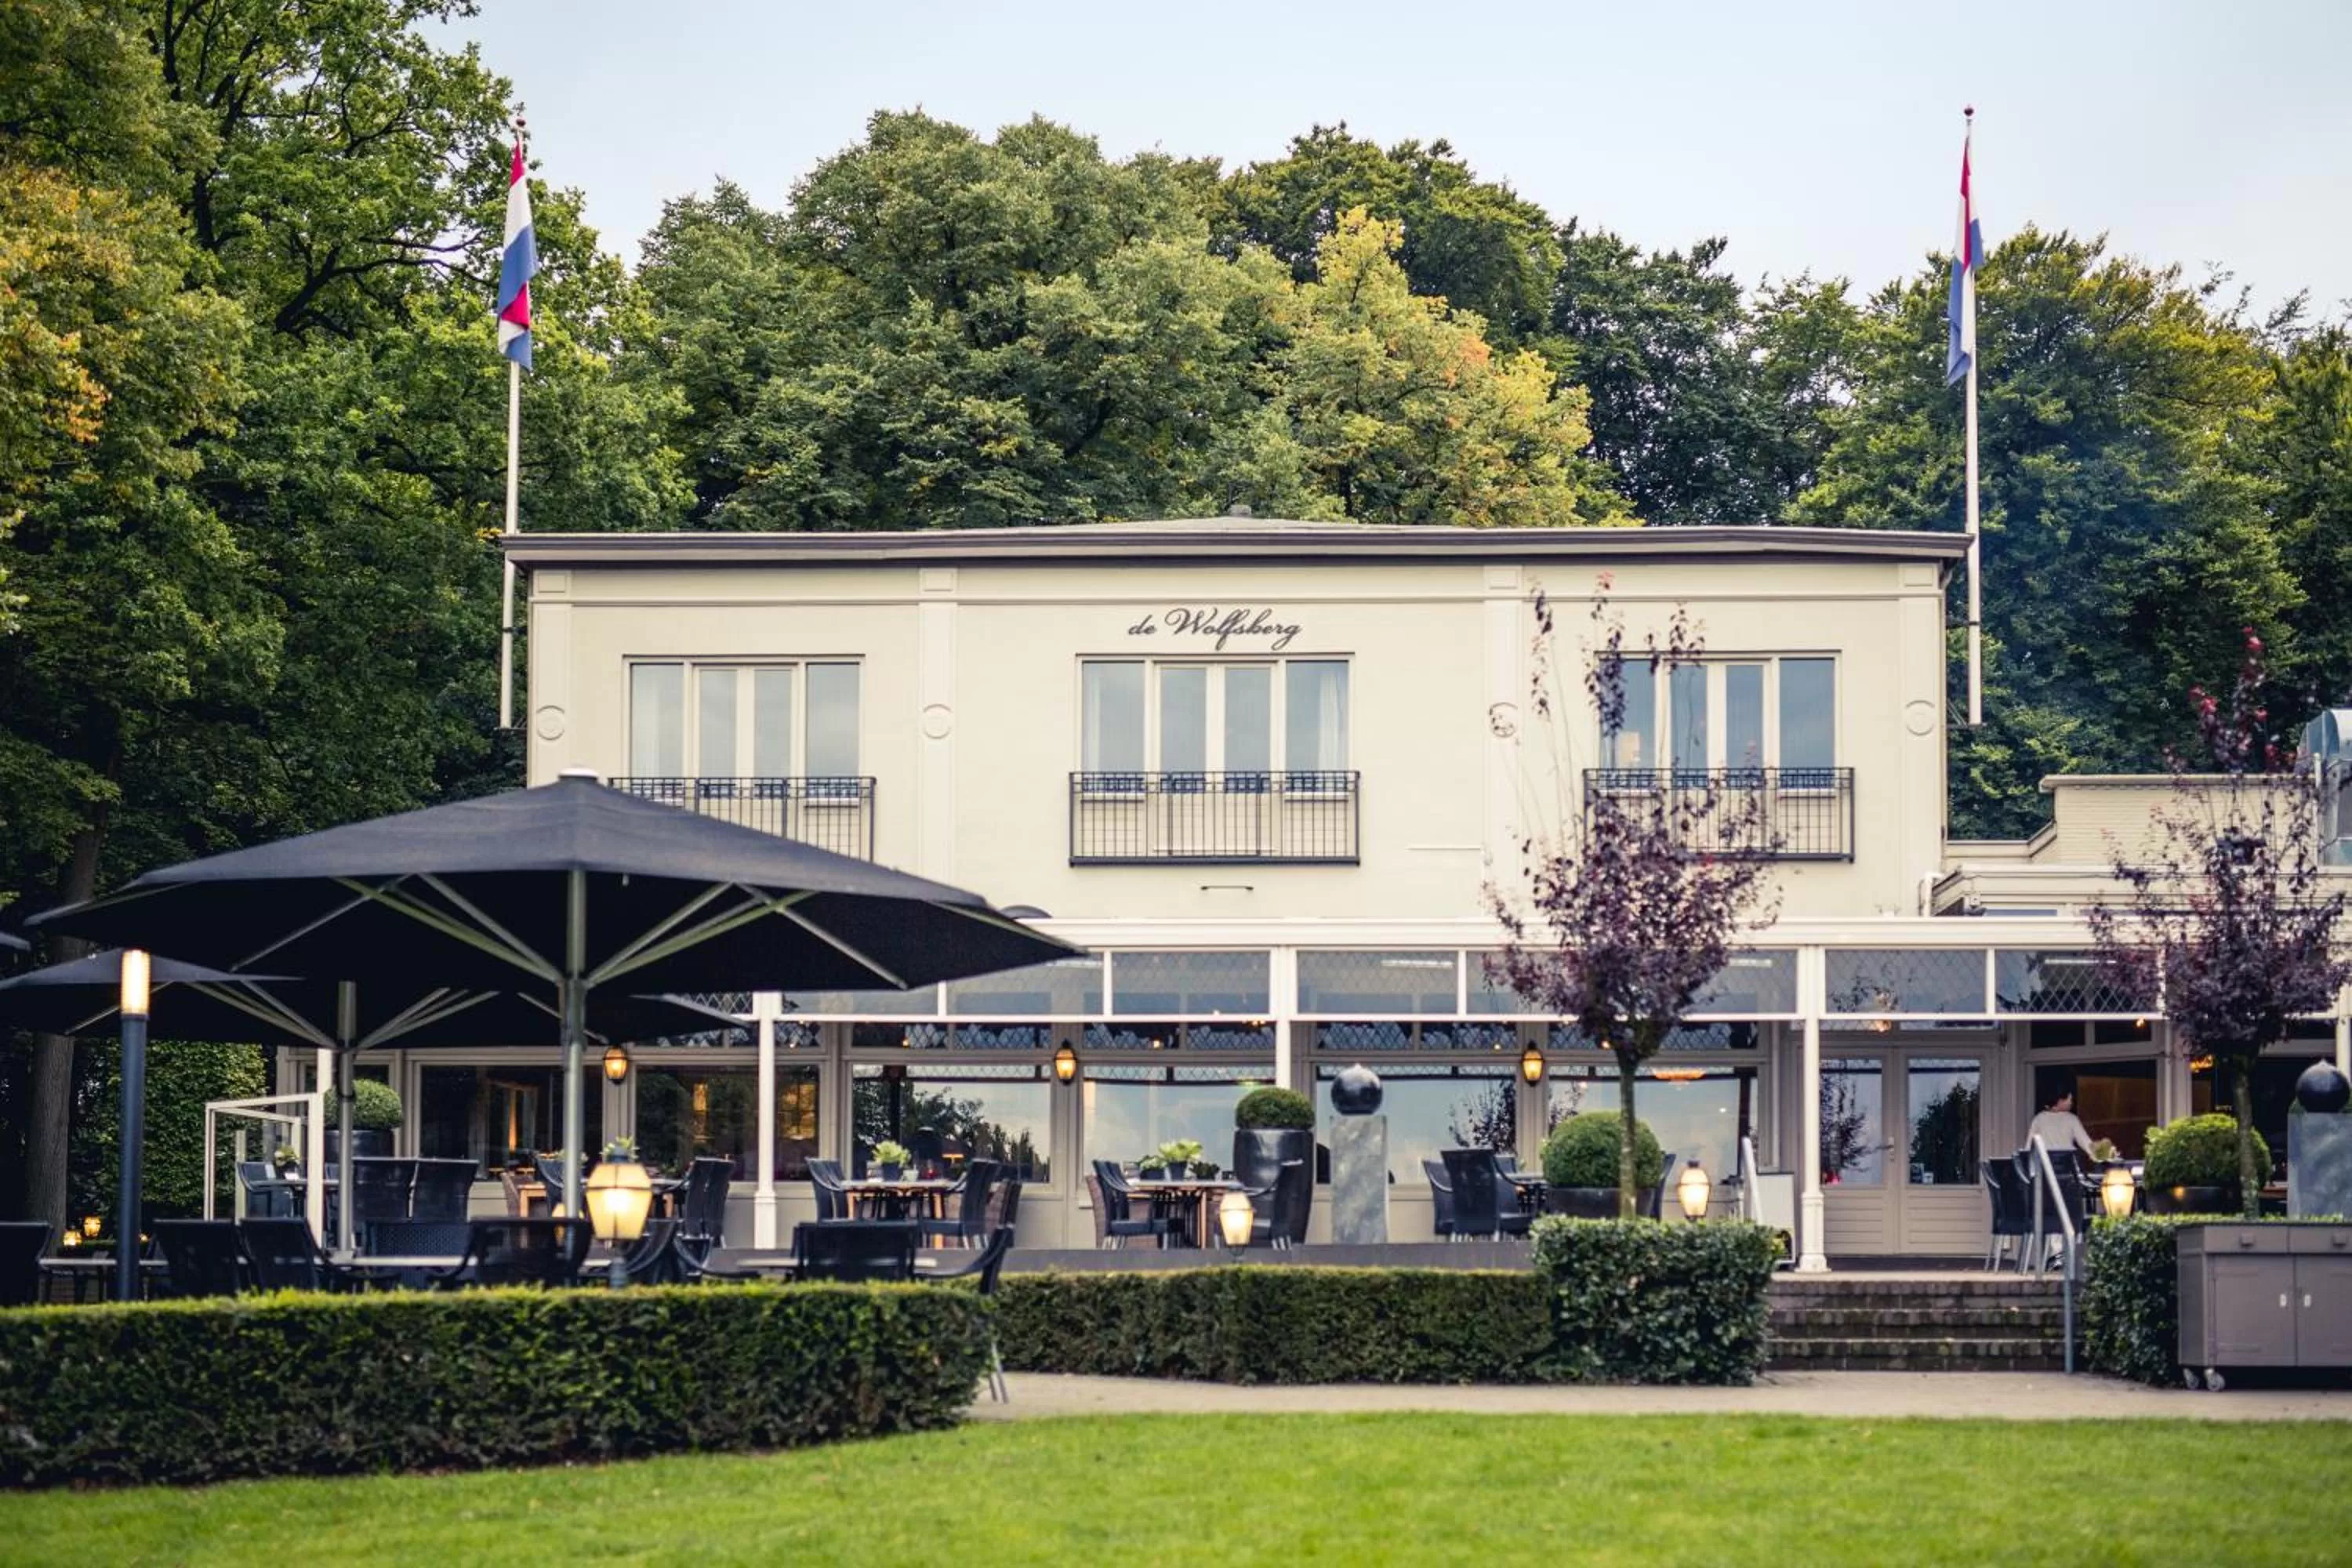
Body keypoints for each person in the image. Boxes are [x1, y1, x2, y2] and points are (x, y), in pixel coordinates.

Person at [2027, 1087, 2099, 1162]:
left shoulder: (2039, 1118)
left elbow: (2029, 1147)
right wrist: (2101, 1155)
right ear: (2060, 1101)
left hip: (2046, 1165)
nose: (2071, 1102)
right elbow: (2086, 1143)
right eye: (2069, 1099)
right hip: (2067, 1164)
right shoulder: (2072, 1119)